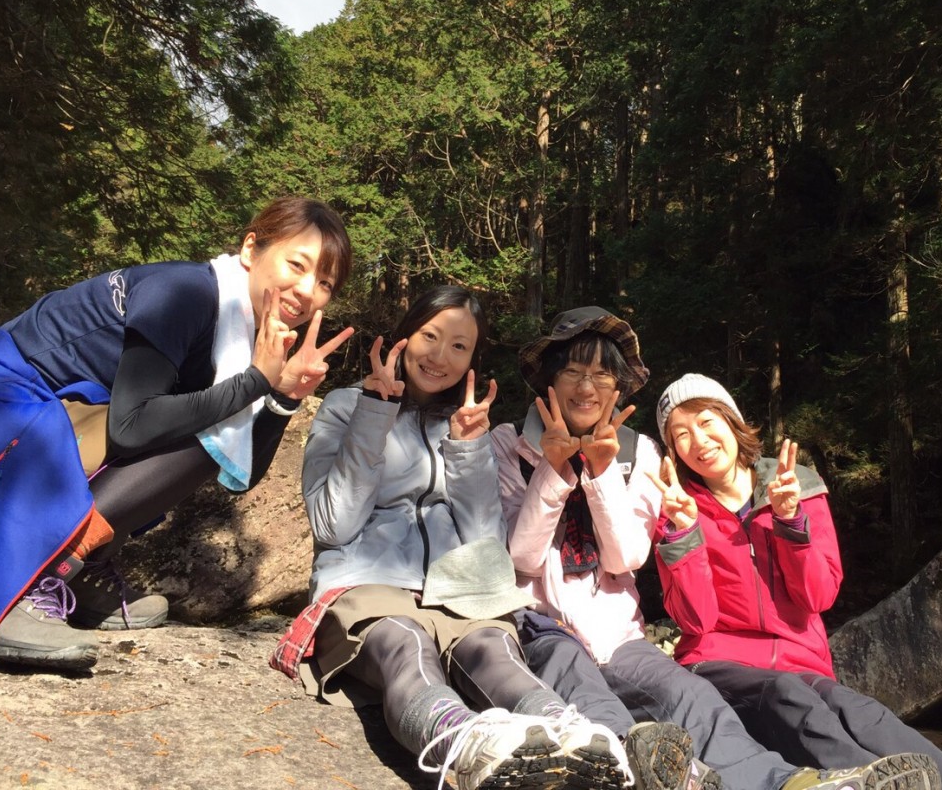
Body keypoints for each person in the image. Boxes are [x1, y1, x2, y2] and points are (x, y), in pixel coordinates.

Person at [493, 307, 941, 790]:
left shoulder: (641, 453)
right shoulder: (508, 446)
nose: (586, 387)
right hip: (545, 626)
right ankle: (671, 779)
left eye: (602, 374)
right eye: (573, 372)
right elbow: (521, 558)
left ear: (618, 390)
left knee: (696, 700)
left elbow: (624, 559)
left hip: (622, 635)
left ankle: (790, 784)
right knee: (594, 701)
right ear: (549, 383)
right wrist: (555, 470)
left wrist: (600, 473)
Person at [272, 286, 670, 790]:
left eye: (459, 347)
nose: (440, 356)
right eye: (430, 336)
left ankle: (579, 744)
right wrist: (376, 411)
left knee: (495, 652)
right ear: (404, 335)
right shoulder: (348, 406)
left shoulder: (467, 422)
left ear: (472, 361)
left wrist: (467, 450)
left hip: (458, 590)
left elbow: (484, 538)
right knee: (406, 646)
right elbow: (334, 525)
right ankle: (467, 743)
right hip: (366, 585)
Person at [0, 196, 355, 672]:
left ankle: (78, 570)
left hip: (57, 416)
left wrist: (282, 396)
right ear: (250, 249)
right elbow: (132, 425)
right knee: (203, 420)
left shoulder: (241, 335)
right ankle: (25, 582)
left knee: (206, 424)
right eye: (297, 265)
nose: (308, 291)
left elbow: (238, 470)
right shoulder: (185, 294)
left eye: (325, 283)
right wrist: (254, 382)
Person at [651, 374, 942, 790]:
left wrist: (790, 522)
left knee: (865, 714)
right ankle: (869, 783)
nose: (697, 440)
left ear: (731, 420)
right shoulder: (678, 509)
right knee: (786, 697)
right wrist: (684, 534)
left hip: (800, 658)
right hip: (717, 663)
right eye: (680, 433)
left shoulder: (796, 485)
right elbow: (696, 620)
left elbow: (819, 595)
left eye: (705, 421)